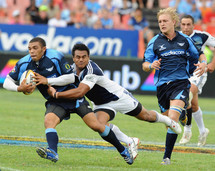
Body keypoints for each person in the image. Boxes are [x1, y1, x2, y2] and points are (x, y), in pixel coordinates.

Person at [3, 37, 135, 165]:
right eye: (29, 48)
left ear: (43, 49)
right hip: (55, 100)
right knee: (49, 121)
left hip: (72, 96)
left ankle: (123, 150)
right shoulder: (24, 63)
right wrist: (19, 88)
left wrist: (47, 80)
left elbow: (71, 77)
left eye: (35, 48)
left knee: (96, 126)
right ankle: (53, 152)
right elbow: (7, 81)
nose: (31, 51)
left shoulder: (55, 56)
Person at [46, 43, 183, 160]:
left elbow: (80, 92)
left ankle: (168, 121)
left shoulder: (92, 70)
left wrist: (57, 95)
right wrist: (47, 81)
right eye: (78, 57)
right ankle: (130, 141)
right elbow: (66, 78)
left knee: (145, 116)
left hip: (118, 97)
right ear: (74, 58)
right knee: (99, 125)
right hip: (101, 104)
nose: (81, 60)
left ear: (88, 57)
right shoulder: (73, 68)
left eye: (84, 57)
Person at [142, 8, 207, 165]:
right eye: (160, 22)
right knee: (169, 123)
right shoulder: (154, 42)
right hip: (162, 87)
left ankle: (166, 158)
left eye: (165, 21)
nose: (162, 24)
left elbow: (200, 54)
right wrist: (151, 64)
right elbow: (144, 64)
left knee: (172, 119)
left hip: (181, 83)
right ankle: (184, 116)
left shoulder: (184, 40)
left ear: (174, 22)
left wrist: (204, 64)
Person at [179, 14, 215, 146]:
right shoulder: (175, 36)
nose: (186, 27)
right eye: (183, 24)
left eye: (188, 24)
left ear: (193, 25)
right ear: (180, 25)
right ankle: (202, 131)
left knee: (188, 93)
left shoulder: (202, 35)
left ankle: (187, 130)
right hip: (182, 74)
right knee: (193, 106)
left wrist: (212, 64)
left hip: (198, 72)